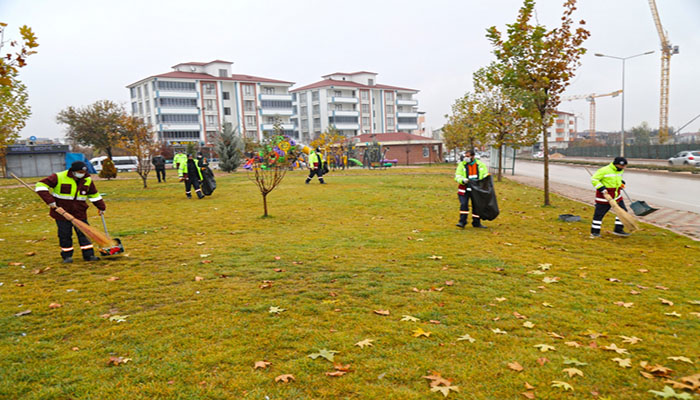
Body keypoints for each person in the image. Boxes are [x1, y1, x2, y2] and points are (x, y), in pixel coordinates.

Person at [34, 161, 105, 263]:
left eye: (83, 172)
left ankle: (89, 255)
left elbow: (94, 195)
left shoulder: (87, 180)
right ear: (73, 171)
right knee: (65, 235)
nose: (82, 174)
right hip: (61, 213)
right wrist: (50, 202)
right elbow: (40, 186)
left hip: (79, 212)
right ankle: (67, 256)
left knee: (84, 234)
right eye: (80, 172)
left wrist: (101, 207)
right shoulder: (59, 177)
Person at [590, 156, 630, 238]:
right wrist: (601, 188)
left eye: (625, 166)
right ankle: (595, 232)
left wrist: (621, 183)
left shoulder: (620, 170)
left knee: (623, 211)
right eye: (622, 166)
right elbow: (594, 179)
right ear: (616, 164)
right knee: (599, 215)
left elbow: (615, 179)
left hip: (616, 196)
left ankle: (618, 230)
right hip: (604, 197)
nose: (623, 167)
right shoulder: (604, 170)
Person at [454, 149, 490, 229]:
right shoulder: (462, 165)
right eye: (465, 156)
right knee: (464, 205)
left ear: (473, 156)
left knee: (476, 206)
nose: (466, 158)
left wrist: (485, 179)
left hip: (476, 190)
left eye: (468, 156)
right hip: (464, 189)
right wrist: (463, 180)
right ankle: (462, 222)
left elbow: (484, 175)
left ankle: (476, 222)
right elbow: (457, 176)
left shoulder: (480, 165)